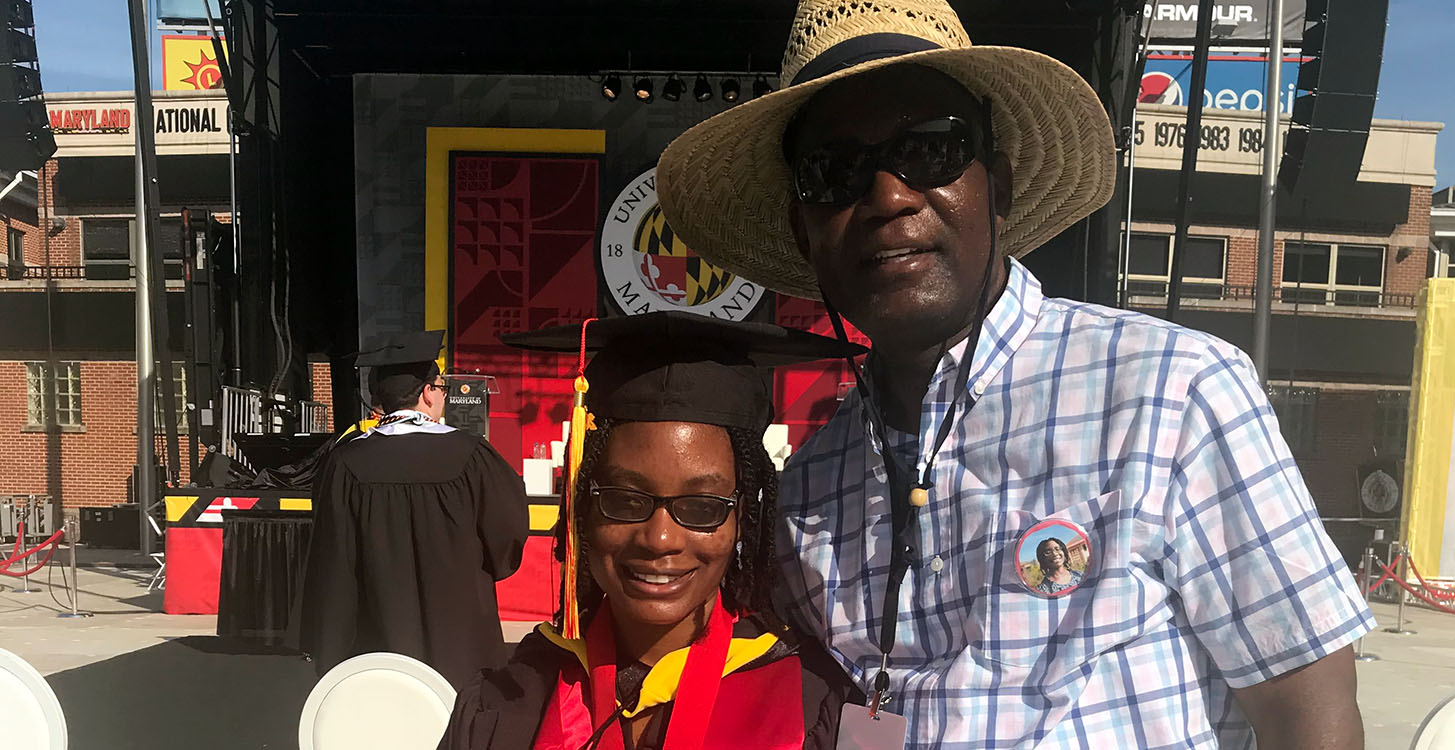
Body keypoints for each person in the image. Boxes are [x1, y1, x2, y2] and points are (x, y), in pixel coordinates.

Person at [656, 1, 1374, 747]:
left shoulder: (1172, 391)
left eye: (929, 151)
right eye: (834, 173)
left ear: (995, 182)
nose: (889, 196)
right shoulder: (808, 489)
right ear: (805, 234)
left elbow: (1309, 711)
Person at [441, 312, 861, 750]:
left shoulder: (809, 702)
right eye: (625, 500)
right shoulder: (507, 701)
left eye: (702, 507)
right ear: (583, 507)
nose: (660, 539)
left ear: (743, 520)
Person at [296, 330, 529, 688]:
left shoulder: (346, 462)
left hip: (379, 639)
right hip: (461, 640)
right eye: (441, 387)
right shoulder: (472, 455)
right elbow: (508, 531)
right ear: (427, 392)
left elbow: (332, 557)